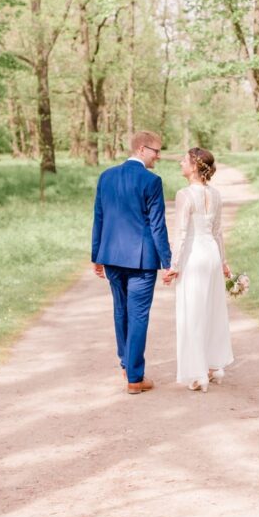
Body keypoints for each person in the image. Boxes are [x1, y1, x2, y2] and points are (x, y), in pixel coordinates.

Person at [91, 131, 173, 395]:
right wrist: (167, 261)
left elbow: (99, 219)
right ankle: (135, 378)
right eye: (155, 151)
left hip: (112, 256)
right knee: (137, 315)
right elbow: (158, 226)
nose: (158, 156)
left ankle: (127, 364)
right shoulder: (151, 181)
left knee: (120, 310)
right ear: (141, 149)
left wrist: (97, 255)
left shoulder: (106, 177)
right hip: (141, 260)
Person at [164, 147, 234, 392]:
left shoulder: (184, 194)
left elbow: (182, 234)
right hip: (212, 255)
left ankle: (197, 374)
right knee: (213, 310)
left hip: (194, 256)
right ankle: (215, 367)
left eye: (184, 160)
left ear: (194, 166)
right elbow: (218, 232)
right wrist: (224, 262)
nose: (181, 163)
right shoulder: (215, 194)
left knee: (192, 313)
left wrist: (174, 266)